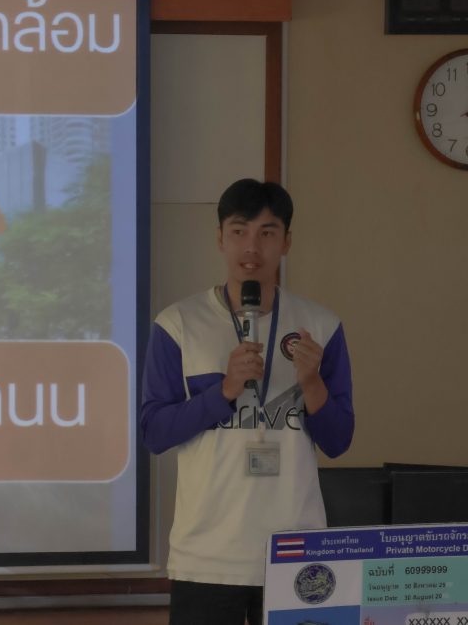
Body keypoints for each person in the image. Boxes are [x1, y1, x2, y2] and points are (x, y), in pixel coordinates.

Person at [140, 178, 355, 625]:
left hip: (296, 551)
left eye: (267, 232)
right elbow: (155, 432)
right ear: (220, 238)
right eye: (239, 231)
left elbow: (338, 442)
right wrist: (222, 392)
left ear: (287, 242)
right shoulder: (178, 324)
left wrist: (311, 383)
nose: (252, 247)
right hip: (207, 557)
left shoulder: (320, 326)